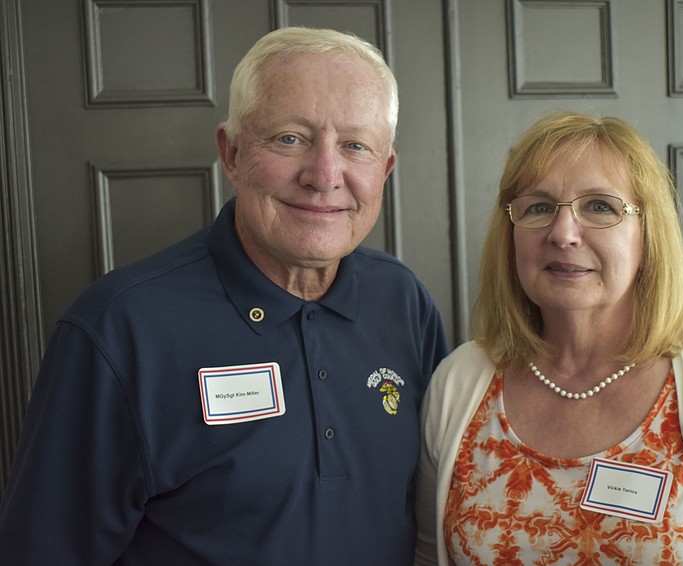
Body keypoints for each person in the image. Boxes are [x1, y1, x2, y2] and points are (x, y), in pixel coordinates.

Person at [0, 27, 448, 564]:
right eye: (290, 138)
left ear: (386, 170)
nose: (325, 175)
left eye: (355, 146)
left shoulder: (401, 300)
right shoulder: (118, 329)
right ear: (231, 153)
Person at [414, 111, 683, 565]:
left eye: (600, 206)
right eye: (539, 207)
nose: (563, 233)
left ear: (648, 235)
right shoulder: (458, 384)